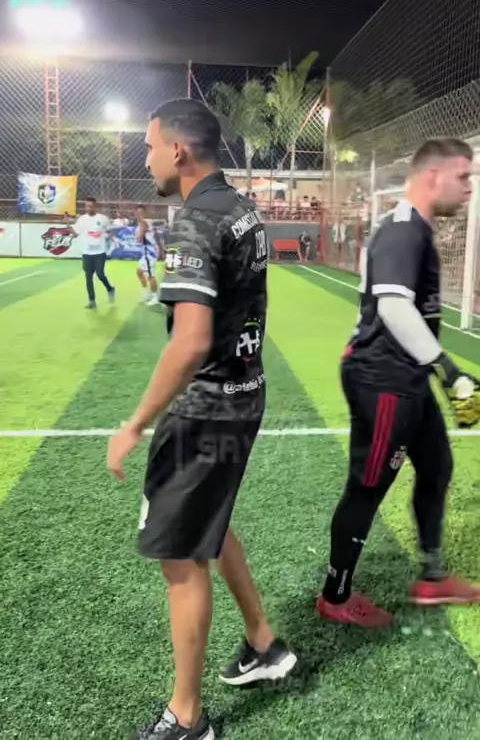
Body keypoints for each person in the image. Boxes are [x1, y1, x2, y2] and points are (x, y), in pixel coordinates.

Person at [107, 99, 296, 740]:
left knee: (181, 557)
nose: (147, 158)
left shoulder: (196, 220)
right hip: (245, 393)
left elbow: (189, 343)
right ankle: (263, 641)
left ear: (178, 150)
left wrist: (135, 422)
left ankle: (187, 719)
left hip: (208, 408)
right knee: (208, 523)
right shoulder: (240, 207)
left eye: (150, 146)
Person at [316, 137, 480, 628]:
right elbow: (392, 307)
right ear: (433, 176)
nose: (469, 187)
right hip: (382, 379)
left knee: (436, 466)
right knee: (368, 486)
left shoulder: (415, 230)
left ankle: (432, 576)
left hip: (407, 376)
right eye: (463, 176)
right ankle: (335, 596)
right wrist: (448, 369)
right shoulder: (402, 230)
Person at [71, 197, 115, 309]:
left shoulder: (103, 219)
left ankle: (110, 288)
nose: (88, 208)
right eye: (87, 206)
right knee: (88, 277)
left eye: (91, 206)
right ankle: (92, 301)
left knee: (100, 274)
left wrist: (111, 240)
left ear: (95, 206)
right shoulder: (82, 219)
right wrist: (68, 225)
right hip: (87, 253)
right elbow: (75, 234)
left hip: (100, 252)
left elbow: (110, 231)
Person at [136, 204, 160, 306]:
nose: (139, 215)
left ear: (144, 213)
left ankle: (155, 298)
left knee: (150, 275)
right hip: (147, 252)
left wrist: (138, 237)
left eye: (141, 213)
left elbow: (140, 238)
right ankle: (147, 294)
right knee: (139, 272)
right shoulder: (146, 222)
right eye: (138, 213)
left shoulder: (143, 223)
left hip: (149, 253)